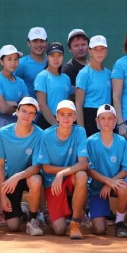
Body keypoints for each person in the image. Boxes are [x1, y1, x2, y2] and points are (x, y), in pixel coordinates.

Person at [36, 99, 89, 238]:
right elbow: (46, 168)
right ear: (57, 117)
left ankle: (75, 224)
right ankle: (48, 216)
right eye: (62, 114)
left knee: (82, 175)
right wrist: (62, 173)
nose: (66, 118)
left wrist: (62, 173)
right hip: (52, 182)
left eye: (70, 114)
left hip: (70, 177)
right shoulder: (46, 134)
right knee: (59, 230)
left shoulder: (80, 132)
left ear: (75, 117)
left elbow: (84, 164)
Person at [0, 97, 45, 235]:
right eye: (23, 111)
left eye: (31, 113)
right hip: (10, 181)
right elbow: (0, 165)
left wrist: (17, 177)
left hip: (28, 176)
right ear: (17, 111)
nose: (26, 116)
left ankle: (32, 219)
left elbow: (37, 166)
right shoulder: (3, 133)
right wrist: (2, 195)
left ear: (35, 116)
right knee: (13, 226)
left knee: (36, 179)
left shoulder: (40, 134)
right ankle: (24, 208)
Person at [85, 104, 127, 237]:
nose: (106, 122)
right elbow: (89, 170)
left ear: (115, 121)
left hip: (114, 184)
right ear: (97, 121)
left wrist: (110, 183)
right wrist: (108, 181)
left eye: (110, 118)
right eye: (102, 118)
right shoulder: (90, 142)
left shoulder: (122, 141)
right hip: (96, 188)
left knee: (123, 187)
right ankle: (92, 213)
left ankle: (120, 222)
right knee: (100, 230)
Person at [0, 44, 28, 142]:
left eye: (16, 59)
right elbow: (3, 108)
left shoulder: (21, 82)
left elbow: (27, 107)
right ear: (1, 61)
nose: (13, 63)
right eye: (9, 59)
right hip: (0, 124)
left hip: (19, 124)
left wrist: (11, 103)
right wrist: (19, 104)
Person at [75, 35, 113, 136]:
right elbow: (78, 104)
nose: (99, 52)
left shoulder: (109, 74)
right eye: (95, 49)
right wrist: (82, 131)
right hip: (90, 117)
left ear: (106, 51)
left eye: (102, 49)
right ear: (90, 51)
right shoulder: (84, 74)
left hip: (107, 117)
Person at [34, 41, 71, 128]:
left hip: (64, 122)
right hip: (47, 122)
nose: (56, 59)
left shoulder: (66, 78)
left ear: (63, 56)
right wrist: (56, 125)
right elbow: (42, 105)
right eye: (52, 55)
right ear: (47, 57)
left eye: (59, 55)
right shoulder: (42, 76)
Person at [14, 27, 48, 97]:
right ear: (28, 43)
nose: (39, 44)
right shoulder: (21, 64)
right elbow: (13, 86)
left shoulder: (52, 63)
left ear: (46, 43)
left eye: (42, 41)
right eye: (35, 41)